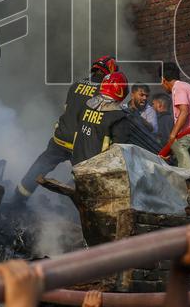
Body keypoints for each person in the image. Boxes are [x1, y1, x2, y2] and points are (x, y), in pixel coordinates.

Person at [16, 56, 116, 201]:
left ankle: (18, 197)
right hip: (82, 144)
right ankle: (79, 213)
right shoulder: (104, 91)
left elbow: (67, 109)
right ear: (109, 74)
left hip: (61, 138)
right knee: (87, 180)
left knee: (40, 166)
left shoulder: (76, 85)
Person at [70, 71, 139, 166]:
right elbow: (120, 150)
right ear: (121, 91)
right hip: (98, 171)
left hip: (76, 164)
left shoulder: (86, 106)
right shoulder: (119, 117)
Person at [159, 62, 190, 170]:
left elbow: (184, 111)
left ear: (163, 79)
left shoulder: (178, 87)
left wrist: (172, 135)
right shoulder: (184, 86)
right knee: (176, 147)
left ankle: (188, 177)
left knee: (178, 145)